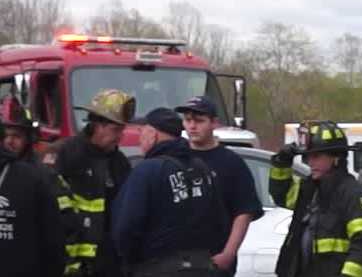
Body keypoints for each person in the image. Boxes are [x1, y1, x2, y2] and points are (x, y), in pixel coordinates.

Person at [112, 107, 227, 276]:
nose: (139, 139)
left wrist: (128, 262)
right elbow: (221, 222)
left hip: (156, 268)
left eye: (141, 132)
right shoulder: (203, 169)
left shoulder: (147, 171)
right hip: (202, 266)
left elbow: (126, 227)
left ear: (152, 134)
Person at [269, 121, 362, 277]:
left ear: (336, 158)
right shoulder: (309, 189)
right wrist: (281, 163)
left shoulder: (352, 193)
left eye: (316, 156)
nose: (310, 162)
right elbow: (281, 196)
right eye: (307, 157)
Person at [175, 96, 263, 276]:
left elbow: (244, 212)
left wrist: (228, 254)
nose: (192, 126)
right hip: (176, 261)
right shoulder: (175, 159)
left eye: (199, 121)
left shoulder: (231, 163)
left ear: (214, 123)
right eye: (187, 120)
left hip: (215, 260)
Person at [57, 89, 136, 277]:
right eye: (116, 130)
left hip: (107, 263)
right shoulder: (67, 154)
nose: (120, 136)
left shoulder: (120, 162)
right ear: (97, 124)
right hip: (71, 262)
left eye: (122, 130)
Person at [1, 97, 83, 274]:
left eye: (16, 136)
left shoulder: (43, 177)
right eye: (4, 135)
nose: (9, 142)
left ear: (29, 138)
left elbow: (65, 226)